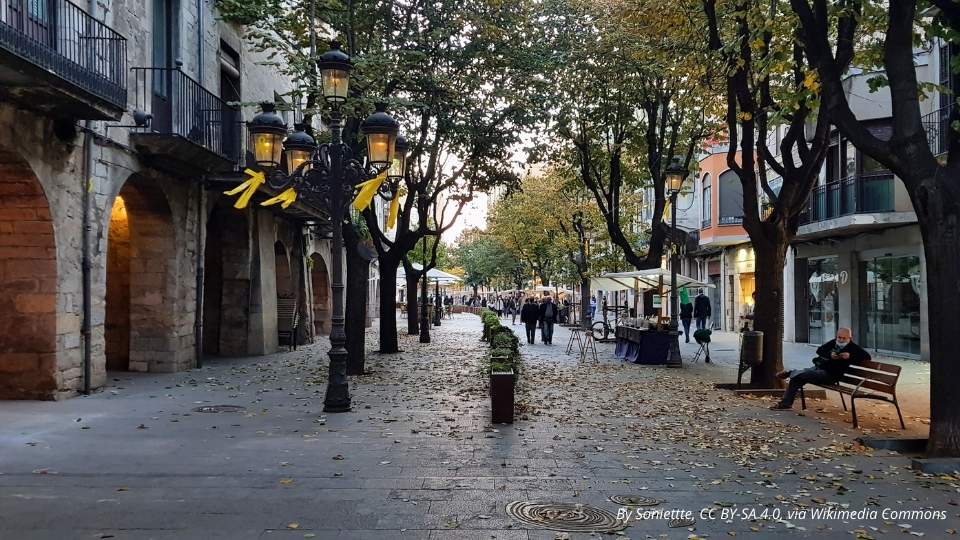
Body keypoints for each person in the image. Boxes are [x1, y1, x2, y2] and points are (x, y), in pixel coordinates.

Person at [770, 327, 871, 410]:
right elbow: (820, 350)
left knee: (802, 374)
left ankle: (790, 372)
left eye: (844, 338)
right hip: (818, 368)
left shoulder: (854, 348)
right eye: (839, 337)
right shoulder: (833, 343)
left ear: (850, 338)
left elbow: (867, 357)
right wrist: (830, 354)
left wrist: (850, 356)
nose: (840, 340)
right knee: (796, 378)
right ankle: (786, 403)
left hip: (830, 375)